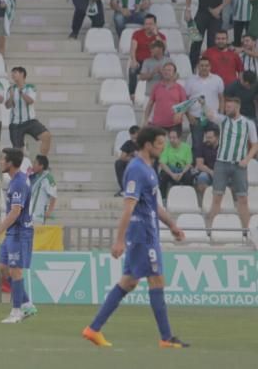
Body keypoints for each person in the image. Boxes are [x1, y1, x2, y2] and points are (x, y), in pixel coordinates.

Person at [82, 126, 189, 348]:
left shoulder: (149, 168)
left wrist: (172, 225)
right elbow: (128, 208)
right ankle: (166, 337)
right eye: (160, 143)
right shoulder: (137, 169)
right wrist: (119, 240)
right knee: (156, 279)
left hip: (148, 232)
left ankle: (93, 329)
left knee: (129, 282)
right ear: (148, 145)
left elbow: (152, 203)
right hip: (142, 234)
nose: (163, 147)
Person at [0, 148, 37, 323]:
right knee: (3, 268)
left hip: (20, 232)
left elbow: (15, 212)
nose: (0, 162)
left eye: (2, 159)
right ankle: (27, 303)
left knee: (16, 270)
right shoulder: (16, 180)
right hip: (12, 232)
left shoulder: (19, 183)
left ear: (10, 163)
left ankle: (16, 312)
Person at [204, 96, 258, 230]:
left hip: (239, 165)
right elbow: (210, 114)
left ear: (237, 107)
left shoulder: (248, 123)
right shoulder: (223, 120)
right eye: (226, 107)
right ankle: (210, 230)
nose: (226, 109)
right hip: (222, 163)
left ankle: (246, 231)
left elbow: (255, 145)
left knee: (243, 199)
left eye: (229, 107)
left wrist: (247, 159)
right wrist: (203, 103)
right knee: (217, 197)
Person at [185, 0, 231, 69]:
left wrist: (219, 9)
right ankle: (191, 68)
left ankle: (212, 69)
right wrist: (187, 9)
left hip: (216, 16)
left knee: (213, 44)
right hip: (200, 14)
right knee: (195, 41)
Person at [5, 66, 52, 157]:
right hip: (15, 123)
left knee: (46, 136)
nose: (13, 75)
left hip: (30, 121)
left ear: (22, 74)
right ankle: (21, 168)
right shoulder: (10, 89)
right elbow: (7, 106)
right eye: (12, 73)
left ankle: (41, 162)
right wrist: (11, 97)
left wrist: (21, 92)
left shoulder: (30, 87)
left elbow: (30, 101)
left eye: (15, 72)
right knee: (18, 152)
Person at [127, 14, 165, 100]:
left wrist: (156, 35)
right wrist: (133, 60)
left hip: (154, 62)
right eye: (146, 24)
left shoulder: (161, 36)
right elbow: (133, 49)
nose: (148, 26)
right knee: (132, 69)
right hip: (140, 61)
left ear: (155, 24)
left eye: (150, 24)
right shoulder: (137, 34)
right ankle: (132, 94)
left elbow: (163, 49)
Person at [144, 62, 185, 132]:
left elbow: (184, 104)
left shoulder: (179, 88)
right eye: (165, 70)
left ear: (174, 73)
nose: (166, 72)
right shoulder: (156, 87)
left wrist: (180, 113)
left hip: (175, 125)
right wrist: (145, 120)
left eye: (169, 70)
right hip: (157, 125)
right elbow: (150, 104)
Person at [158, 129, 195, 199]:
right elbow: (162, 163)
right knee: (163, 175)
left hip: (182, 170)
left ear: (179, 138)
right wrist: (172, 174)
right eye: (170, 138)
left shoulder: (186, 147)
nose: (171, 140)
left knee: (188, 177)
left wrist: (182, 173)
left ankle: (188, 198)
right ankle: (163, 199)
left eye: (174, 138)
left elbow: (188, 164)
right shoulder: (166, 147)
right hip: (170, 170)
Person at [29, 155, 57, 223]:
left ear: (41, 166)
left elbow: (53, 196)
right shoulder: (33, 176)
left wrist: (49, 211)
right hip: (29, 216)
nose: (33, 165)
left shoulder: (48, 178)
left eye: (35, 163)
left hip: (39, 217)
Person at [115, 125, 140, 195]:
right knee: (118, 163)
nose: (134, 136)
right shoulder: (128, 143)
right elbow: (122, 157)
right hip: (129, 163)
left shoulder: (143, 144)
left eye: (136, 134)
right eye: (132, 134)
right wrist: (131, 158)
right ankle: (124, 188)